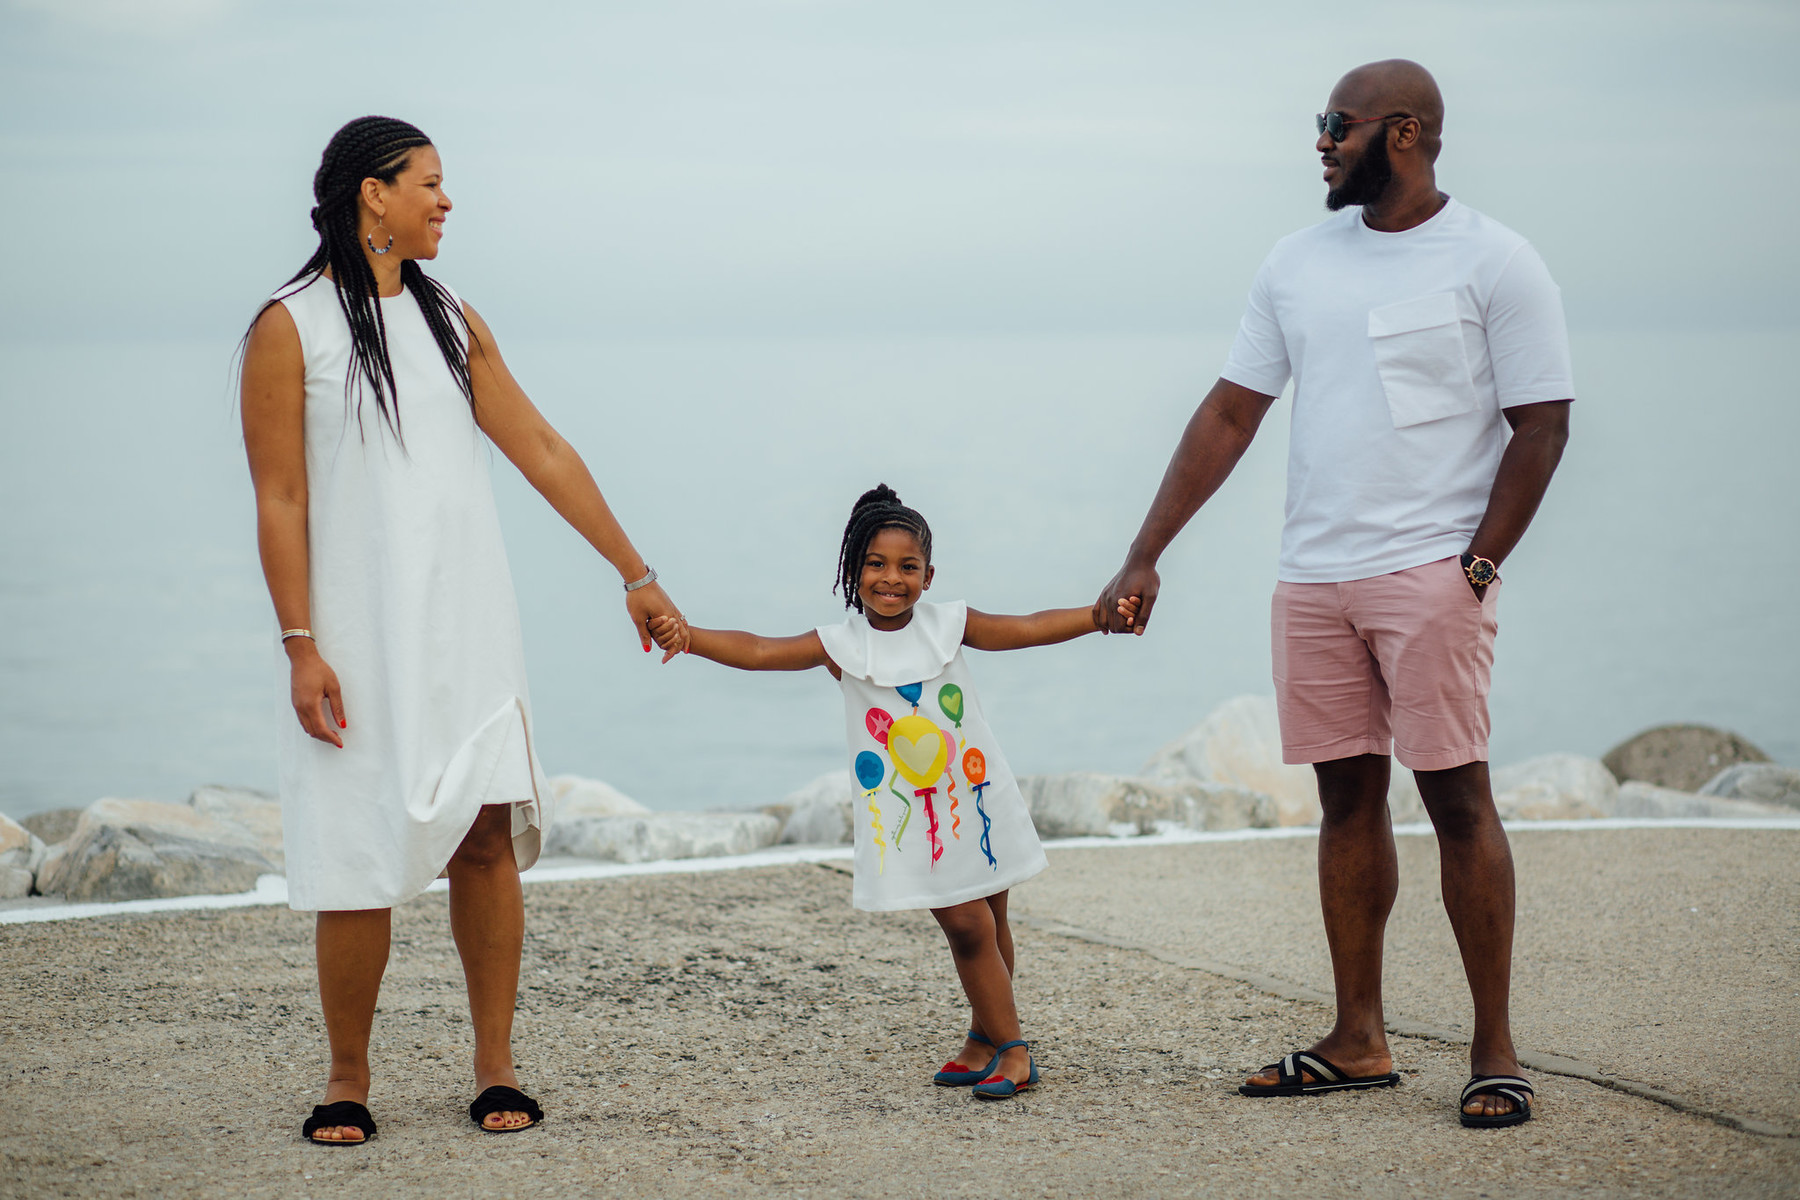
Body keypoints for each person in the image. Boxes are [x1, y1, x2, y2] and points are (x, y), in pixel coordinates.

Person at [1096, 61, 1572, 1129]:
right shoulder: (1297, 263)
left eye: (1336, 126)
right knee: (1345, 802)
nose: (1320, 142)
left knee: (1458, 801)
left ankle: (1496, 1049)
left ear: (1402, 133)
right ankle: (1359, 1037)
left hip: (1431, 577)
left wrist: (1477, 568)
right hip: (1313, 576)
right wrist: (1145, 551)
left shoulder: (1496, 260)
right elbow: (1231, 412)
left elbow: (1541, 423)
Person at [239, 115, 682, 1143]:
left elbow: (540, 447)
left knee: (486, 837)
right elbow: (282, 501)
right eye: (428, 183)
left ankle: (495, 1065)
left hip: (468, 620)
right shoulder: (290, 324)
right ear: (371, 195)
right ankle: (347, 1077)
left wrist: (635, 571)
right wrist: (300, 645)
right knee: (358, 850)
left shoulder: (449, 318)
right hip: (354, 633)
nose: (446, 202)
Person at [649, 484, 1135, 1099]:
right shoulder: (845, 645)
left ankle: (991, 1042)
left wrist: (1096, 618)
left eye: (907, 567)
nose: (891, 579)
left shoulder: (949, 624)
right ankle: (1013, 1049)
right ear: (855, 569)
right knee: (965, 925)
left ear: (929, 576)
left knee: (991, 918)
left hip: (977, 794)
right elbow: (758, 650)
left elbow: (1027, 628)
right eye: (877, 564)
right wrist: (686, 635)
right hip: (917, 817)